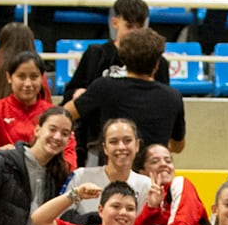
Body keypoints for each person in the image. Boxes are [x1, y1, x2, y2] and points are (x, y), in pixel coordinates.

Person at [72, 29, 187, 157]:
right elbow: (178, 146)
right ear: (157, 64)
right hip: (151, 170)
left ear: (124, 60)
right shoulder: (173, 97)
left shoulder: (104, 86)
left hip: (112, 167)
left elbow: (67, 114)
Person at [0, 50, 72, 165]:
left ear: (42, 79)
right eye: (21, 76)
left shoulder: (55, 115)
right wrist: (4, 156)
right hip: (2, 174)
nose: (28, 84)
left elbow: (69, 159)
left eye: (34, 77)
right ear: (9, 77)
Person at [132, 143, 212, 225]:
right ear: (142, 172)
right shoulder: (146, 196)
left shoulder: (180, 183)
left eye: (168, 161)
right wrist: (151, 208)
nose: (163, 164)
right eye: (155, 161)